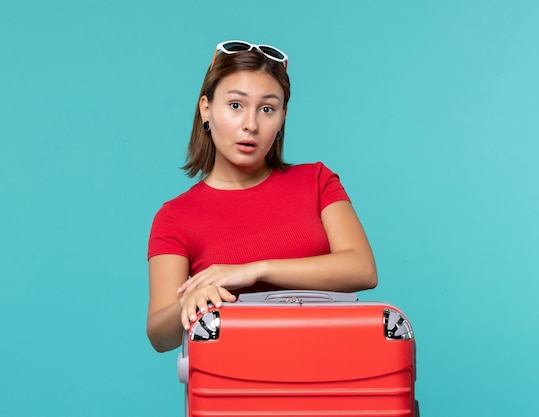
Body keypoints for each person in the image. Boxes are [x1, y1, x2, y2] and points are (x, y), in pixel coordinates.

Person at [146, 40, 377, 352]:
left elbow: (362, 269)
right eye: (236, 105)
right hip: (235, 386)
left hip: (332, 373)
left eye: (267, 109)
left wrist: (255, 270)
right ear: (206, 108)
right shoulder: (175, 216)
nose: (251, 125)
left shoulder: (316, 180)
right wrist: (188, 302)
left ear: (282, 117)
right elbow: (160, 336)